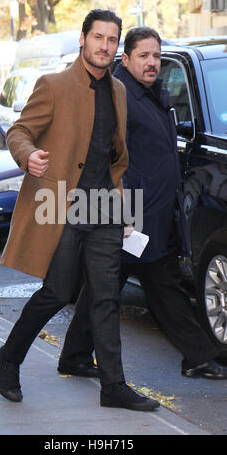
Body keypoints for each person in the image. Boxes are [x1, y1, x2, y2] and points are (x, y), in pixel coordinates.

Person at [0, 11, 159, 412]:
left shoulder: (118, 90)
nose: (105, 46)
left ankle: (113, 386)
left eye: (111, 40)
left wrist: (121, 208)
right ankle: (9, 357)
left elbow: (115, 156)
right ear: (84, 40)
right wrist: (28, 155)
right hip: (62, 206)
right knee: (57, 292)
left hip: (103, 206)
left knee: (105, 297)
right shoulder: (53, 85)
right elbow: (19, 131)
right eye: (98, 37)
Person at [58, 26, 227, 381]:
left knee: (144, 284)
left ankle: (75, 355)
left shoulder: (151, 93)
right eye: (143, 56)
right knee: (112, 287)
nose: (152, 63)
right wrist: (121, 215)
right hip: (128, 214)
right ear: (126, 59)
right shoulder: (119, 98)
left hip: (154, 213)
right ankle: (196, 356)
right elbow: (106, 159)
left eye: (156, 56)